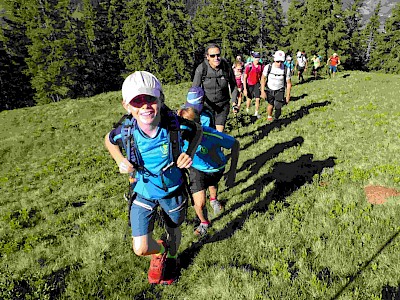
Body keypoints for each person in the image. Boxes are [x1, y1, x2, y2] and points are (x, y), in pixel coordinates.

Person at [104, 71, 203, 285]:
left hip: (173, 189)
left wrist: (190, 153)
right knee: (140, 248)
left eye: (150, 99)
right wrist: (119, 160)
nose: (145, 106)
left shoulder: (176, 126)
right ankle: (161, 250)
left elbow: (197, 130)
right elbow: (109, 140)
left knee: (173, 229)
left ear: (161, 99)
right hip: (143, 190)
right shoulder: (126, 131)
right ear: (126, 106)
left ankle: (173, 259)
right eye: (136, 101)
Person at [177, 106, 240, 236]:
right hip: (196, 169)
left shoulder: (211, 134)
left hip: (216, 167)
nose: (183, 131)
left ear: (198, 123)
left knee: (212, 184)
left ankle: (214, 200)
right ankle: (204, 222)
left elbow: (235, 144)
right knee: (199, 203)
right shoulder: (177, 136)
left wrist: (233, 171)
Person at [192, 43, 237, 132]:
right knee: (209, 132)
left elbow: (233, 85)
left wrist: (234, 101)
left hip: (223, 104)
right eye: (212, 56)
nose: (216, 58)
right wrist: (194, 108)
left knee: (219, 133)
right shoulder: (202, 69)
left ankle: (219, 145)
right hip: (207, 106)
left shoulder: (226, 67)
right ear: (207, 57)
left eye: (218, 55)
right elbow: (195, 90)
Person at [260, 50, 292, 122]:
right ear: (274, 60)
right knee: (270, 104)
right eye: (278, 61)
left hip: (280, 89)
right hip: (269, 89)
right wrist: (262, 91)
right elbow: (263, 78)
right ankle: (269, 116)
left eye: (281, 62)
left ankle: (276, 118)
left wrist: (288, 95)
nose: (279, 63)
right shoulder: (268, 67)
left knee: (278, 106)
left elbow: (289, 83)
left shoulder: (286, 69)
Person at [243, 51, 264, 118]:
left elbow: (262, 76)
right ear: (252, 58)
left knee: (258, 99)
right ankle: (247, 110)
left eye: (258, 57)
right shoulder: (249, 66)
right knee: (249, 98)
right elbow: (245, 78)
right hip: (250, 84)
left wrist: (262, 85)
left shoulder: (261, 66)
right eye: (255, 57)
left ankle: (256, 113)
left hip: (257, 84)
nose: (257, 59)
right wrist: (245, 89)